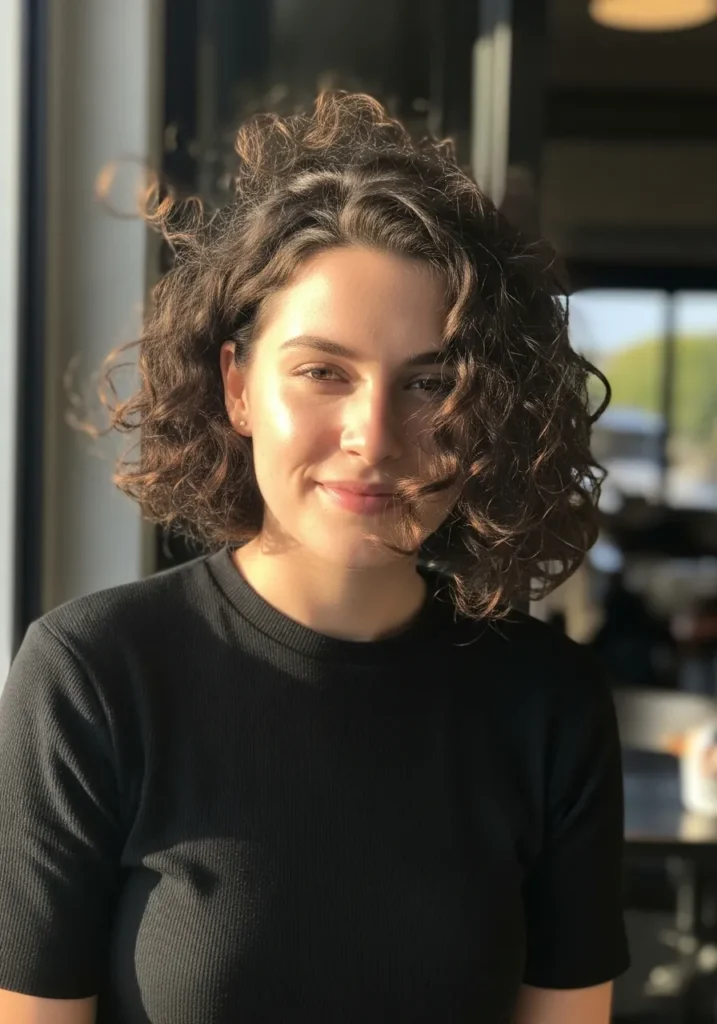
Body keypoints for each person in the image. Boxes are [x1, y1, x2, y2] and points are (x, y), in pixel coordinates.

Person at [0, 92, 629, 1024]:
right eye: (322, 372)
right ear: (237, 387)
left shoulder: (549, 706)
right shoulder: (92, 677)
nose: (373, 436)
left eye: (430, 382)